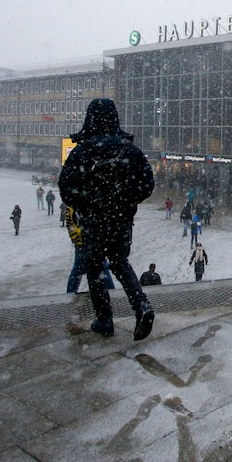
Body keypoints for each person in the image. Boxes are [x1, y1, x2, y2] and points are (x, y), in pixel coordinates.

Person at [58, 98, 155, 341]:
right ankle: (141, 306)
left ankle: (105, 319)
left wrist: (88, 203)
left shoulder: (83, 150)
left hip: (94, 221)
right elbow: (147, 185)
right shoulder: (129, 149)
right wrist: (125, 201)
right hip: (121, 220)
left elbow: (66, 188)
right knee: (120, 263)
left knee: (94, 267)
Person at [64, 205, 86, 294]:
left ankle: (71, 292)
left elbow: (70, 226)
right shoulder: (74, 207)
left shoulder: (71, 206)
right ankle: (111, 290)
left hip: (81, 243)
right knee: (102, 268)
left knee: (77, 269)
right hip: (85, 242)